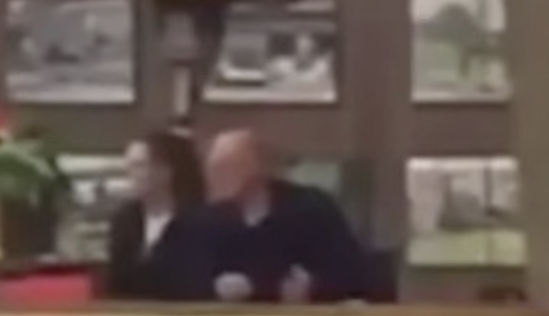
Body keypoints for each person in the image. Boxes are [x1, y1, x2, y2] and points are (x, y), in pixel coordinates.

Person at [200, 129, 369, 304]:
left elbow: (351, 275)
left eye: (226, 168)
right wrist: (213, 290)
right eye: (213, 169)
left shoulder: (312, 209)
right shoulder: (198, 223)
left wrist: (313, 286)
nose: (216, 178)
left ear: (256, 169)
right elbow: (180, 283)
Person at [102, 126, 211, 301]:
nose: (130, 174)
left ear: (166, 171)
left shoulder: (201, 223)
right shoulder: (125, 220)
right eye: (129, 166)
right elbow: (115, 283)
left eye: (139, 166)